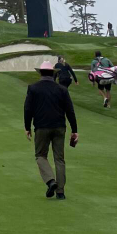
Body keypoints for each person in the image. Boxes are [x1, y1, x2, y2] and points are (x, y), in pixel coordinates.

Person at [23, 60, 79, 200]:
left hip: (41, 127)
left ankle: (50, 181)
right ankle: (60, 192)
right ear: (53, 74)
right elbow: (70, 111)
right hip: (59, 127)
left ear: (41, 73)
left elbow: (28, 109)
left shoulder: (33, 88)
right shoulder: (62, 89)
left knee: (40, 156)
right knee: (59, 159)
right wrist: (74, 130)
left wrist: (27, 127)